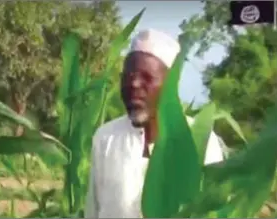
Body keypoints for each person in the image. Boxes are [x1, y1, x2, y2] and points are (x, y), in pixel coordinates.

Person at [84, 29, 225, 218]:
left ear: (170, 84)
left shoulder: (200, 139)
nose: (133, 84)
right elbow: (93, 208)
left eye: (146, 77)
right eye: (128, 76)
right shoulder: (106, 138)